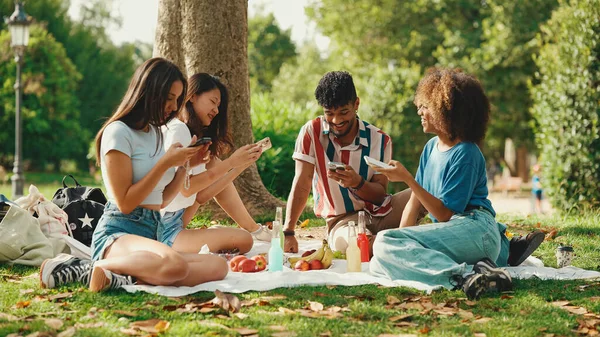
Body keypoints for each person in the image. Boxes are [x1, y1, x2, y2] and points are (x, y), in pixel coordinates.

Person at [39, 58, 230, 292]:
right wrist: (164, 163)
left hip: (153, 229)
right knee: (175, 265)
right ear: (149, 92)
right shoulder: (118, 132)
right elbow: (126, 202)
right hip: (120, 230)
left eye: (178, 100)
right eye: (170, 98)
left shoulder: (154, 134)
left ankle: (120, 277)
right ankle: (87, 267)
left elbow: (162, 200)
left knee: (218, 266)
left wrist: (184, 166)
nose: (174, 107)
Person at [370, 68, 518, 300]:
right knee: (379, 261)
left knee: (384, 243)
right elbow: (414, 202)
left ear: (445, 110)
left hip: (475, 228)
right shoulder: (430, 148)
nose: (419, 111)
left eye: (425, 106)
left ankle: (464, 278)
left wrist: (408, 179)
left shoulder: (466, 153)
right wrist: (400, 243)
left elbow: (444, 214)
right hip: (456, 234)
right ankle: (485, 268)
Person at [282, 71, 417, 254]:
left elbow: (380, 195)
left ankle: (404, 238)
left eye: (343, 112)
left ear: (356, 104)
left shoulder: (379, 139)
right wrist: (289, 232)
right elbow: (302, 182)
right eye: (329, 113)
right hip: (342, 222)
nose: (336, 121)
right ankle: (399, 241)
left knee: (424, 190)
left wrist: (356, 182)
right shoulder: (311, 132)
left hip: (383, 211)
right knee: (360, 245)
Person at [159, 73, 268, 255]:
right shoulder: (179, 130)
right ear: (192, 96)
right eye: (213, 101)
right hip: (164, 230)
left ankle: (254, 229)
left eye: (218, 105)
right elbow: (186, 190)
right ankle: (250, 232)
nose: (216, 110)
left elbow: (201, 197)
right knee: (244, 241)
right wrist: (232, 162)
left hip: (178, 219)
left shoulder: (191, 133)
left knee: (214, 163)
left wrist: (240, 165)